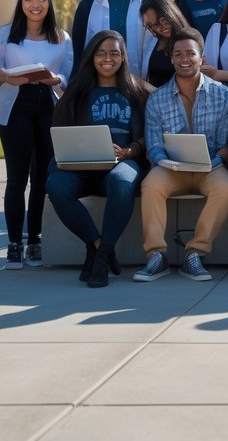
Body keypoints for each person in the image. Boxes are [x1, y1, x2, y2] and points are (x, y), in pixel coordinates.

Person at [46, 30, 153, 288]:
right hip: (82, 167)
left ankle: (100, 259)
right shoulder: (76, 94)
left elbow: (151, 135)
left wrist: (129, 151)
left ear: (123, 57)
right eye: (101, 53)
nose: (108, 58)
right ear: (92, 57)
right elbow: (61, 134)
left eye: (114, 53)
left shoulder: (139, 91)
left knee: (122, 180)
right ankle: (99, 248)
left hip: (122, 162)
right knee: (56, 186)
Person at [134, 29, 228, 282]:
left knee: (224, 188)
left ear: (202, 57)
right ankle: (156, 255)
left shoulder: (223, 95)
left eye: (191, 53)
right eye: (178, 54)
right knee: (151, 184)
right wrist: (164, 161)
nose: (184, 59)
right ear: (171, 59)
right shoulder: (156, 99)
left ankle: (196, 252)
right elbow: (153, 146)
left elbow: (226, 144)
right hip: (172, 169)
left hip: (210, 167)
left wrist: (216, 161)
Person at [0, 0, 73, 268]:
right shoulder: (4, 35)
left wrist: (56, 79)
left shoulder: (61, 37)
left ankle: (35, 240)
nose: (35, 5)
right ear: (21, 3)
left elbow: (68, 77)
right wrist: (4, 76)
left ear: (49, 4)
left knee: (41, 179)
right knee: (16, 178)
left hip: (48, 108)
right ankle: (14, 243)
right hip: (16, 107)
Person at [139, 0, 192, 88]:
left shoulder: (189, 42)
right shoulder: (153, 41)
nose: (160, 27)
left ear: (170, 13)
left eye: (162, 20)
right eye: (152, 25)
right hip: (153, 101)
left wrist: (146, 86)